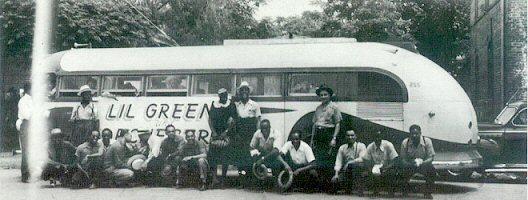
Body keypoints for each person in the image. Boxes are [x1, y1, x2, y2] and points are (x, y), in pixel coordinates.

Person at [311, 85, 342, 185]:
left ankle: (330, 184)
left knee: (329, 159)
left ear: (329, 96)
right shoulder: (318, 108)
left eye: (325, 95)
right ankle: (321, 183)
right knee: (319, 158)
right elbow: (314, 124)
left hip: (328, 134)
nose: (323, 97)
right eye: (321, 95)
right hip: (319, 135)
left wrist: (334, 138)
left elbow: (337, 124)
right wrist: (312, 139)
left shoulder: (334, 107)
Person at [207, 88, 237, 188]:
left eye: (225, 94)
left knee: (225, 157)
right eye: (221, 95)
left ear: (227, 94)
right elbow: (210, 119)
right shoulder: (214, 104)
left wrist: (226, 132)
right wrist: (214, 132)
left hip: (226, 134)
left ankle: (223, 180)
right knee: (212, 157)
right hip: (215, 134)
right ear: (218, 95)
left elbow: (233, 120)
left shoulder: (231, 104)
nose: (223, 96)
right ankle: (214, 179)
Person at [234, 81, 261, 186]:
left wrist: (257, 134)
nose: (244, 92)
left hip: (251, 133)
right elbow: (236, 121)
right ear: (240, 93)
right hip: (240, 133)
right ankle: (242, 180)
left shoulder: (254, 105)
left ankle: (252, 179)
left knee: (251, 155)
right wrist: (236, 133)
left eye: (246, 90)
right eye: (242, 90)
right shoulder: (237, 105)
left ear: (249, 92)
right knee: (240, 157)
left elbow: (258, 120)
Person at [400, 125, 435, 199]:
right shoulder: (405, 142)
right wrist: (410, 164)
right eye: (412, 134)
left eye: (416, 133)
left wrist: (423, 163)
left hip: (423, 164)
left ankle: (428, 193)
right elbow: (403, 159)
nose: (414, 135)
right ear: (410, 134)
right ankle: (404, 191)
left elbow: (431, 157)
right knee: (401, 170)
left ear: (420, 133)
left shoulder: (427, 141)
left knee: (432, 170)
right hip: (410, 164)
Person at [362, 130, 400, 197]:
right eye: (375, 137)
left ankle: (390, 193)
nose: (377, 139)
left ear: (382, 137)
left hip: (387, 167)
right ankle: (375, 191)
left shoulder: (388, 145)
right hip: (376, 168)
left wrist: (386, 167)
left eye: (379, 137)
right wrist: (370, 169)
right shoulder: (370, 146)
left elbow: (395, 160)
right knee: (367, 172)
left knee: (392, 172)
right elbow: (366, 160)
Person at [330, 130, 367, 196]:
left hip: (358, 171)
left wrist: (350, 162)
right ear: (345, 137)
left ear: (356, 137)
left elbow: (362, 158)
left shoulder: (361, 146)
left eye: (352, 135)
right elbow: (338, 162)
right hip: (346, 171)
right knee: (333, 182)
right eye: (348, 135)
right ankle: (348, 187)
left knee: (353, 166)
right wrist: (336, 174)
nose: (350, 137)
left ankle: (358, 188)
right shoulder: (342, 147)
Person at [16, 82, 32, 182]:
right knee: (26, 150)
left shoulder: (33, 100)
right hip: (26, 124)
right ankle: (25, 175)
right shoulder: (23, 101)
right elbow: (27, 115)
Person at [3, 87, 19, 154]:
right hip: (13, 119)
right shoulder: (15, 100)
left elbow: (10, 111)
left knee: (11, 134)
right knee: (12, 134)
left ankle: (11, 147)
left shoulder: (12, 101)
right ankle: (13, 147)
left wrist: (8, 119)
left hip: (11, 119)